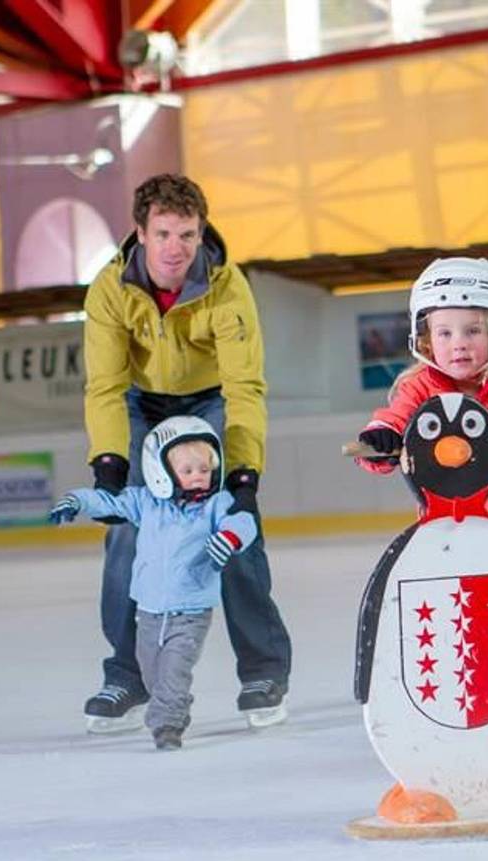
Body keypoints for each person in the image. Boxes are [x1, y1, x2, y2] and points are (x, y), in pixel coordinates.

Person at [81, 172, 293, 732]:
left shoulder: (227, 285)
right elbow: (104, 386)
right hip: (139, 402)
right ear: (141, 233)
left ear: (202, 234)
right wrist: (109, 468)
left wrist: (244, 476)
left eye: (188, 235)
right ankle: (128, 673)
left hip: (208, 403)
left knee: (232, 522)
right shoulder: (109, 288)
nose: (176, 248)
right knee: (127, 532)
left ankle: (264, 669)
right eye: (165, 233)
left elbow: (244, 386)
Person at [51, 417, 257, 749]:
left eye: (204, 469)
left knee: (174, 673)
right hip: (147, 612)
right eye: (188, 470)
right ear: (161, 470)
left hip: (190, 612)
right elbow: (110, 503)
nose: (198, 476)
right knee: (152, 678)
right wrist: (78, 500)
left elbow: (243, 520)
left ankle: (168, 727)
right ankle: (170, 707)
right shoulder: (145, 502)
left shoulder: (216, 505)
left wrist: (231, 536)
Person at [355, 256, 488, 563]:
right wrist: (379, 440)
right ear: (425, 341)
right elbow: (392, 423)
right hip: (447, 539)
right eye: (445, 333)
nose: (459, 344)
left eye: (473, 331)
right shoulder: (419, 389)